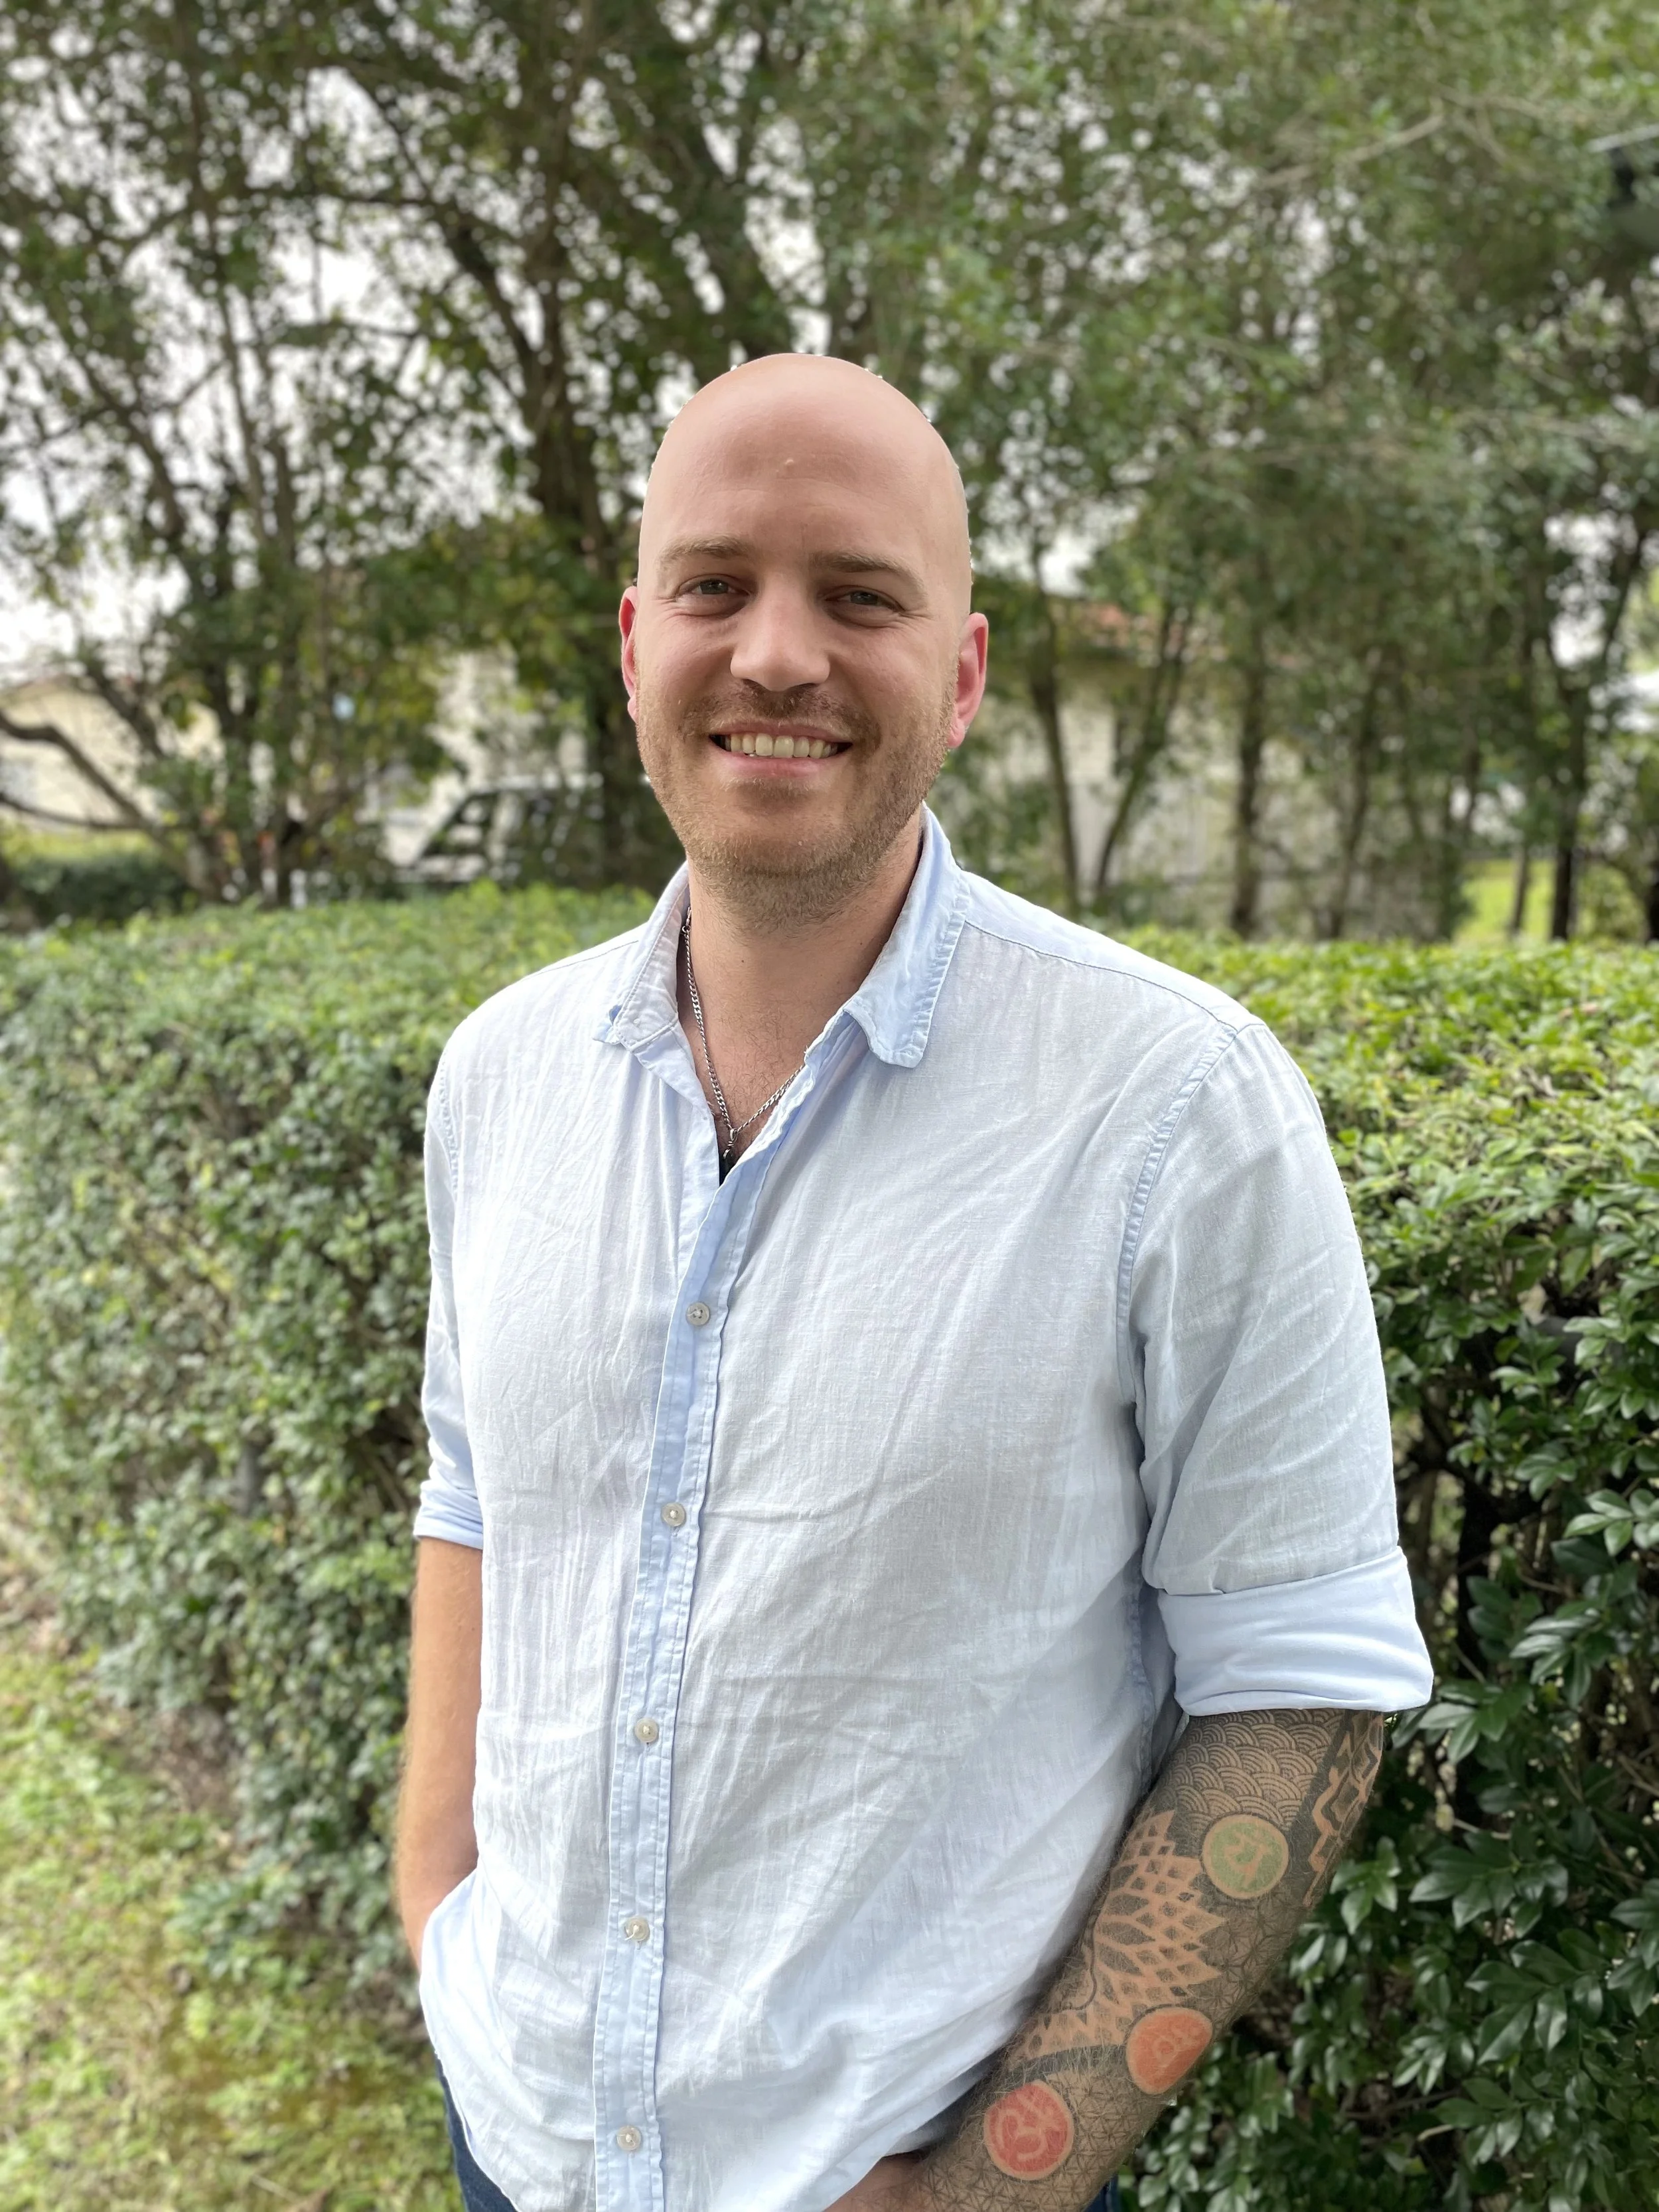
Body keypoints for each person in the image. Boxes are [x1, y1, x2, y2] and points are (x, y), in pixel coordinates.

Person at [397, 354, 1433, 2212]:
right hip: (519, 2141)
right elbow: (475, 1501)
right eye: (714, 585)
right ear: (636, 642)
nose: (775, 653)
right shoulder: (498, 1076)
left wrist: (985, 2191)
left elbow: (1297, 1689)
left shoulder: (1175, 1111)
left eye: (858, 595)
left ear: (957, 674)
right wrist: (437, 1920)